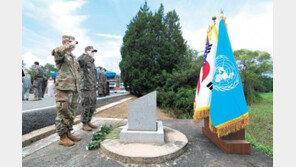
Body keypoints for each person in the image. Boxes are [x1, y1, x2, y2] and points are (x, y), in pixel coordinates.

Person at [52, 35, 81, 146]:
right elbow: (58, 51)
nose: (73, 45)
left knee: (71, 113)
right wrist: (70, 44)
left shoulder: (73, 57)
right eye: (70, 42)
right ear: (65, 42)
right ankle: (62, 137)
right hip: (63, 88)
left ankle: (68, 132)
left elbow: (77, 72)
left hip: (73, 89)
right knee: (63, 112)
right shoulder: (60, 53)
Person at [78, 46, 98, 131]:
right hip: (85, 87)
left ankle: (89, 121)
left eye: (94, 51)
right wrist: (85, 54)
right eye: (91, 51)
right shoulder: (83, 60)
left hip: (92, 87)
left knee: (92, 105)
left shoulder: (92, 62)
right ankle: (84, 123)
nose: (93, 53)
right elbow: (79, 60)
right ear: (87, 51)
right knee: (86, 105)